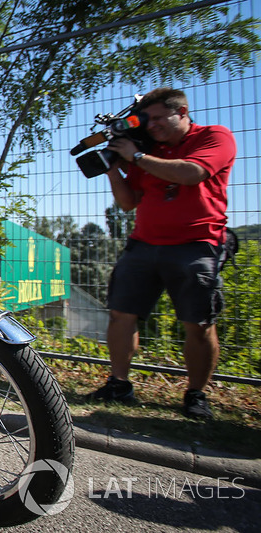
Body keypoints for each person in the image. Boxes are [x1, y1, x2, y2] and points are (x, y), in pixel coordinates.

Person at [86, 88, 236, 420]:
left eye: (157, 118)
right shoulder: (150, 151)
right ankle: (119, 384)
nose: (151, 125)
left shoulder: (214, 137)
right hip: (144, 244)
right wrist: (113, 166)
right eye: (146, 119)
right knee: (121, 314)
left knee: (198, 323)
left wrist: (136, 157)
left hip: (197, 244)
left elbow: (191, 173)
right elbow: (128, 202)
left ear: (182, 111)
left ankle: (197, 394)